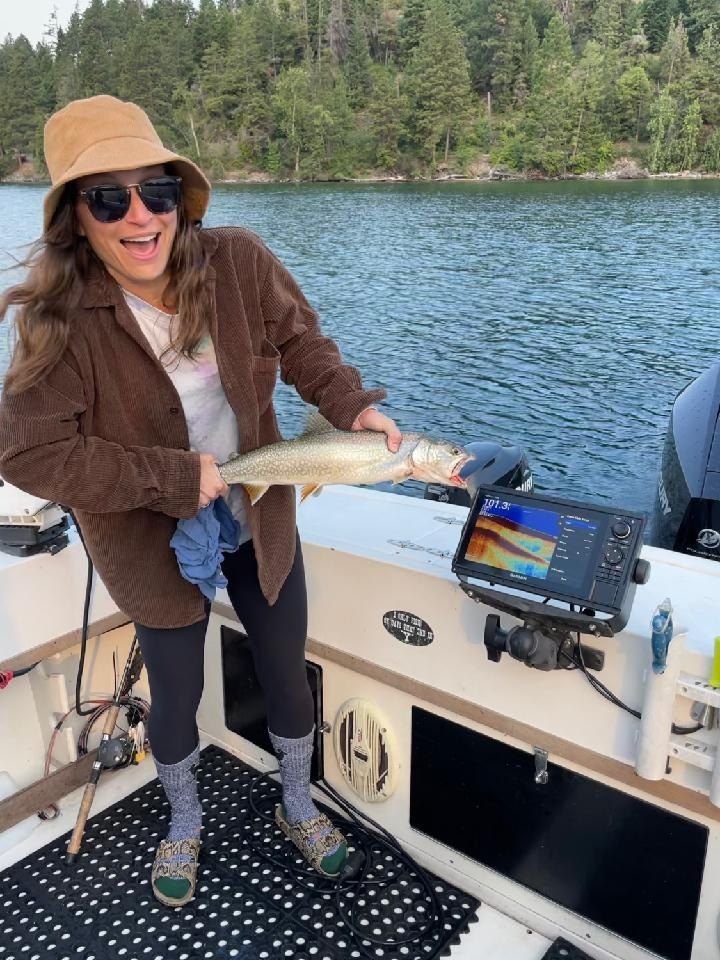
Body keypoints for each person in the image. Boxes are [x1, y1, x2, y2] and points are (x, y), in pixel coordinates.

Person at [0, 95, 401, 908]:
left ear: (182, 198)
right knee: (176, 695)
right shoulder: (60, 322)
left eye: (158, 192)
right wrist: (173, 479)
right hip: (148, 538)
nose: (140, 216)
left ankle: (297, 803)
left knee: (287, 673)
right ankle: (184, 818)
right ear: (77, 219)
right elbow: (29, 452)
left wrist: (351, 403)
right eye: (109, 199)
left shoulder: (239, 261)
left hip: (260, 511)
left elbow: (303, 345)